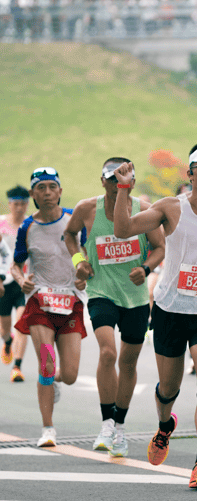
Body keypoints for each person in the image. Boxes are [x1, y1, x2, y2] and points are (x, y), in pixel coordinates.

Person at [111, 142, 197, 490]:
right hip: (171, 308)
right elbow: (124, 230)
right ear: (191, 173)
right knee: (168, 387)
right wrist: (124, 191)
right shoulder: (171, 208)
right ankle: (164, 424)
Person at [63, 158, 165, 457]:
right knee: (107, 353)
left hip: (135, 298)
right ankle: (107, 422)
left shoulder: (145, 210)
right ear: (102, 180)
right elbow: (69, 235)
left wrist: (145, 270)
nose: (116, 184)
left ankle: (120, 426)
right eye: (111, 178)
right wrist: (79, 261)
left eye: (124, 179)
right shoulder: (87, 209)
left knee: (128, 362)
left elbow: (159, 247)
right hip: (101, 292)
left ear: (131, 182)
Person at [9, 168, 88, 447]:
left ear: (60, 191)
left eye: (51, 187)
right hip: (40, 304)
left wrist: (83, 271)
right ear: (33, 194)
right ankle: (48, 429)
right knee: (45, 364)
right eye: (40, 188)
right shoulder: (27, 228)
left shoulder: (74, 220)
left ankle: (52, 380)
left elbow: (85, 254)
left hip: (70, 303)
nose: (46, 193)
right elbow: (16, 266)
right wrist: (22, 281)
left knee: (69, 375)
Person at [1, 186, 30, 382]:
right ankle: (7, 342)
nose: (19, 208)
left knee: (22, 325)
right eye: (15, 204)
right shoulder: (1, 224)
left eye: (23, 204)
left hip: (24, 282)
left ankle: (17, 367)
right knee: (5, 328)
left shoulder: (31, 225)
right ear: (9, 204)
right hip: (4, 283)